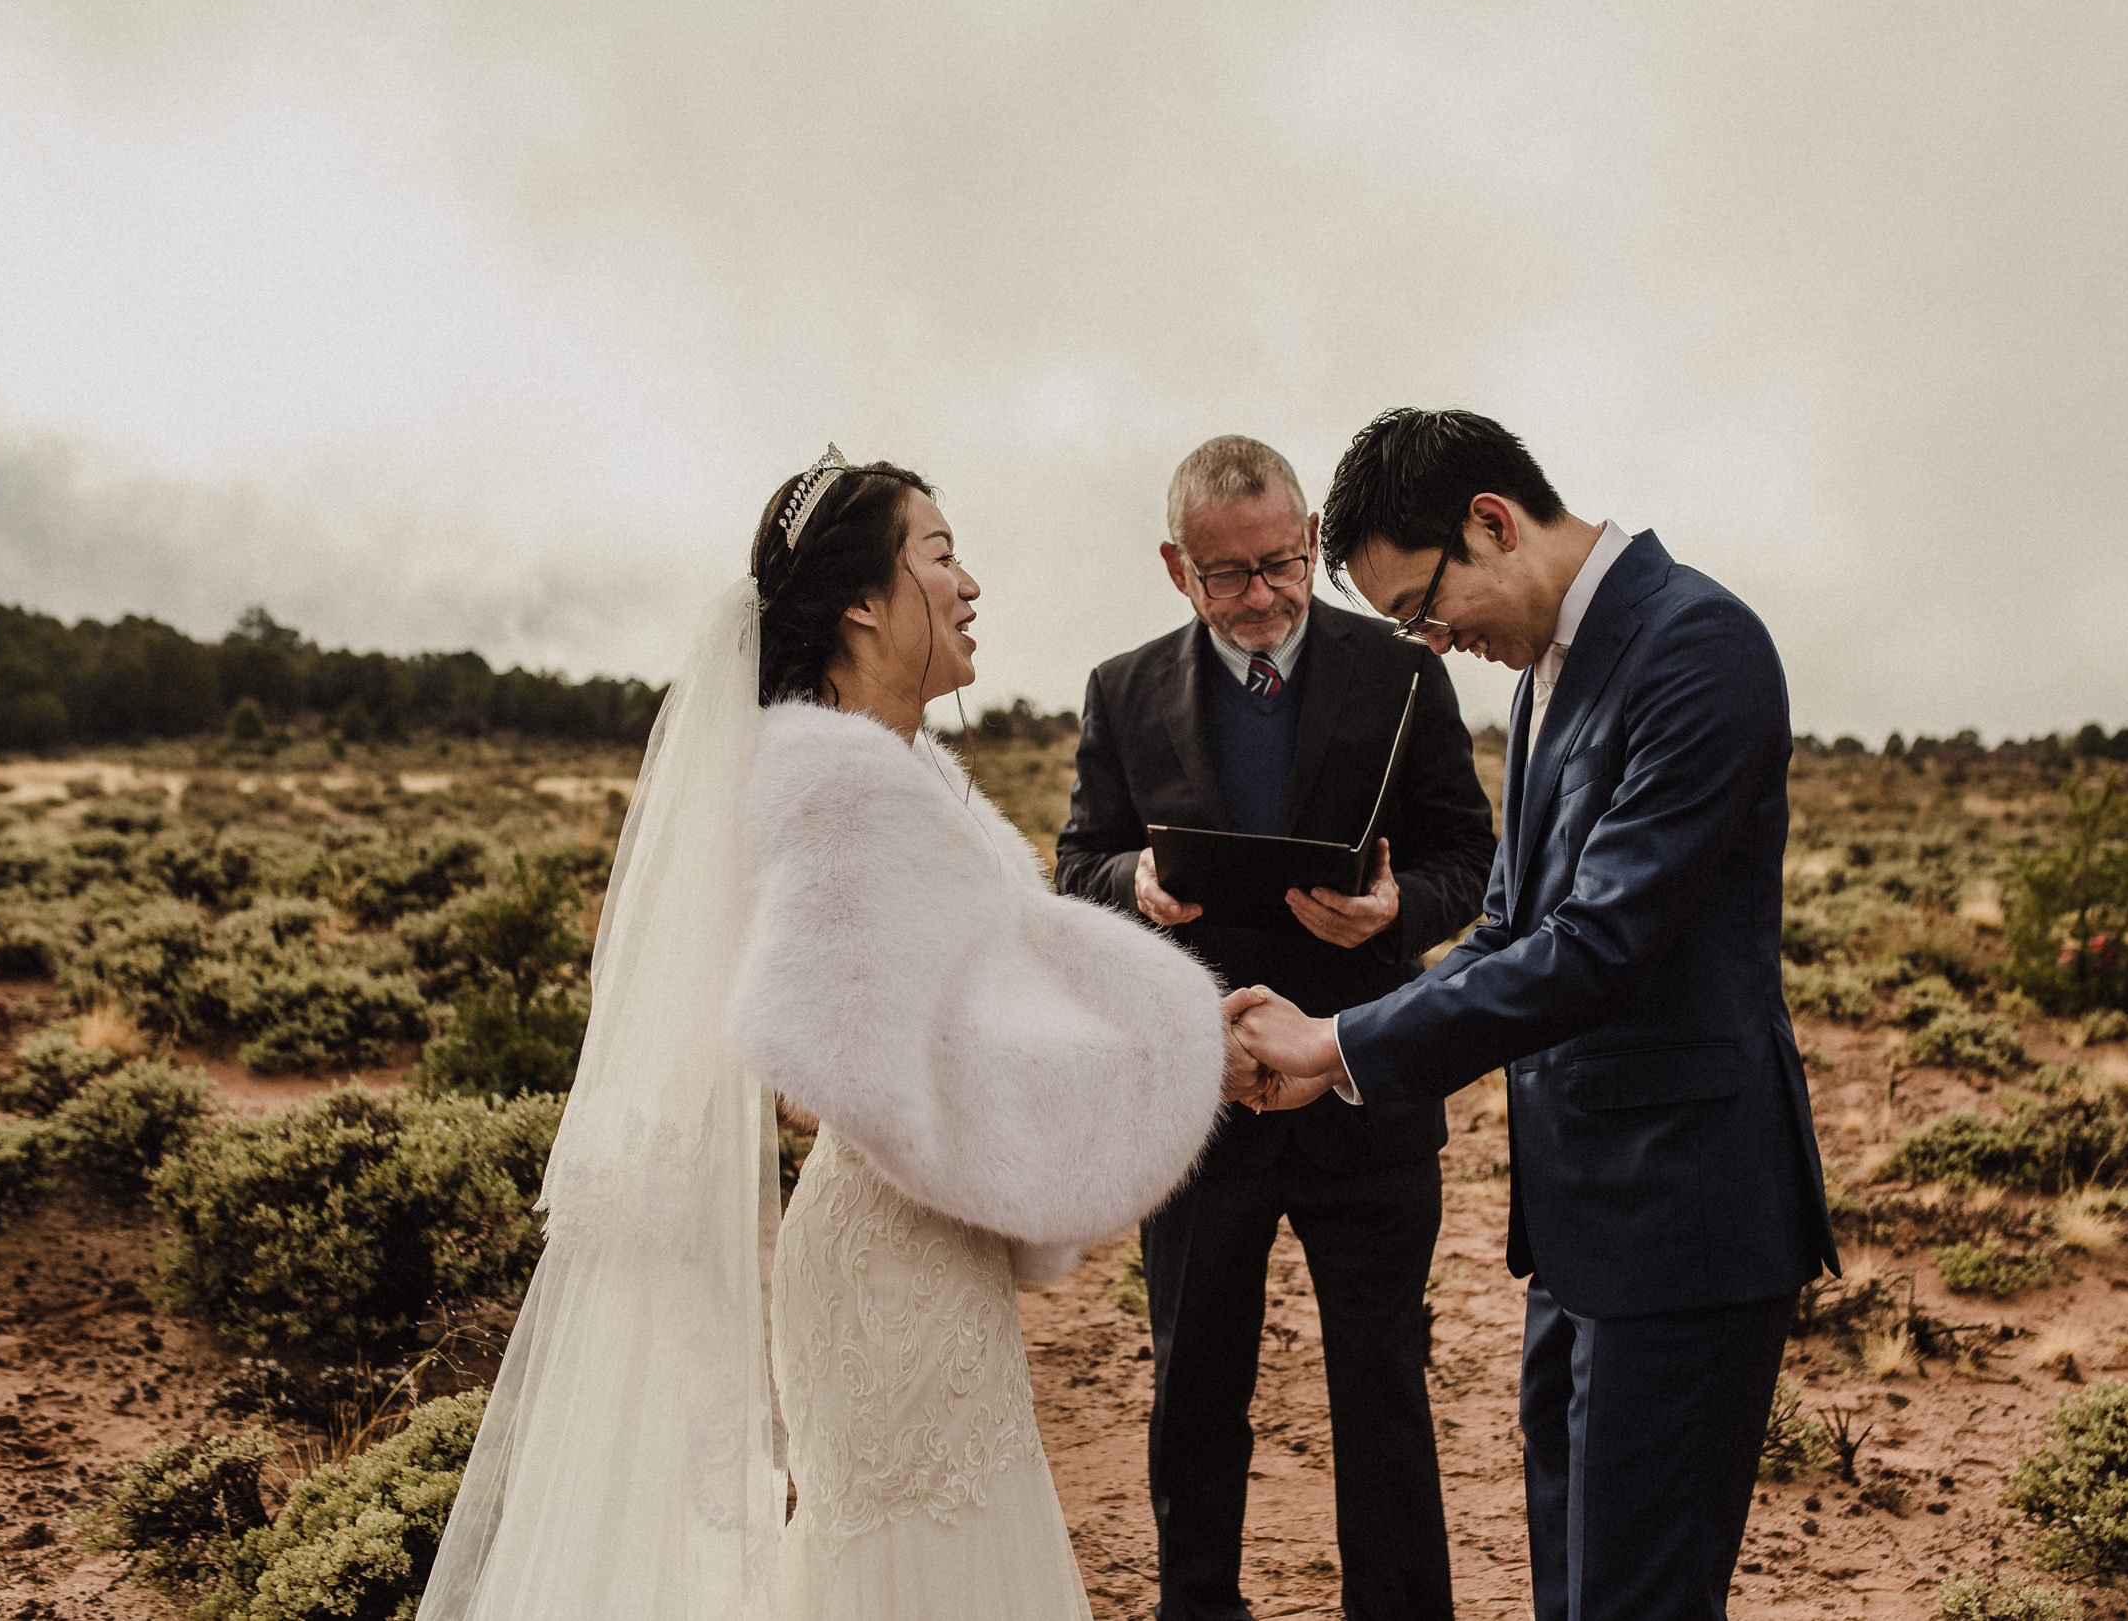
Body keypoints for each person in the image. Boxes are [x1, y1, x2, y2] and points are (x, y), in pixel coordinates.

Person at [420, 447, 1248, 1621]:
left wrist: (1181, 1038)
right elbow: (846, 1048)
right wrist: (1182, 1057)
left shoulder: (915, 775)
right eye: (942, 556)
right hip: (890, 1268)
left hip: (930, 1255)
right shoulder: (832, 782)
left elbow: (1001, 985)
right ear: (862, 600)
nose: (970, 587)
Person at [1227, 410, 1838, 1621]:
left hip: (1684, 1222)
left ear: (1490, 523)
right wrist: (1339, 1046)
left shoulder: (1699, 646)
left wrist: (1339, 1042)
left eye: (1422, 607)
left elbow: (1598, 948)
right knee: (1577, 1592)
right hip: (1579, 1233)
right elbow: (1511, 932)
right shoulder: (1553, 670)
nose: (1435, 642)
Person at [1056, 436, 1496, 1621]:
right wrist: (1130, 886)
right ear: (1174, 567)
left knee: (1383, 1392)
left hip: (1368, 1091)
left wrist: (1401, 907)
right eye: (1227, 573)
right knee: (1194, 1394)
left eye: (1282, 563)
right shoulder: (1122, 689)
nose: (1262, 595)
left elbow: (1473, 859)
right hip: (1199, 1106)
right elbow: (1074, 866)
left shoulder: (1406, 673)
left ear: (1308, 541)